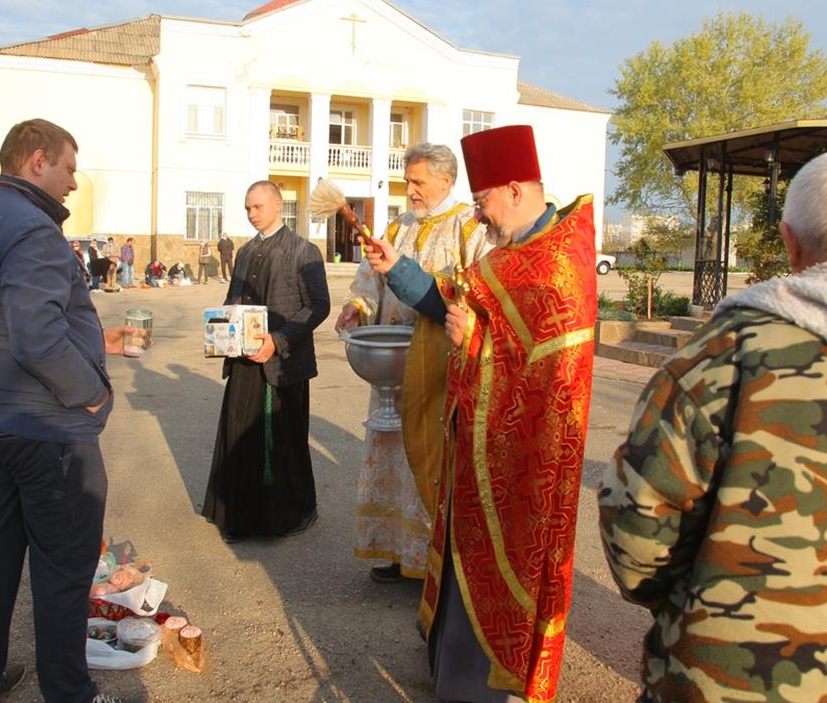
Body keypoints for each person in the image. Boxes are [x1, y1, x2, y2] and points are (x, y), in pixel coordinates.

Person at [598, 149, 827, 702]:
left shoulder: (724, 355)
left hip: (738, 676)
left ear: (790, 241)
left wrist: (696, 600)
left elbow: (638, 535)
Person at [365, 126, 598, 702]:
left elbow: (551, 374)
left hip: (521, 457)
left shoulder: (558, 261)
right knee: (462, 553)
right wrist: (398, 266)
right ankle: (450, 670)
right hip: (476, 443)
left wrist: (477, 344)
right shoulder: (517, 248)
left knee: (496, 568)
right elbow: (456, 296)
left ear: (515, 190)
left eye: (484, 200)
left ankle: (478, 685)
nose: (480, 214)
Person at [0, 118, 140, 703]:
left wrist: (94, 341)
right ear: (36, 161)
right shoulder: (31, 228)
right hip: (47, 428)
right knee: (63, 570)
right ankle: (70, 693)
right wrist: (93, 392)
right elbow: (36, 340)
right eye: (68, 169)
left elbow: (2, 322)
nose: (73, 184)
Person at [335, 142, 490, 584]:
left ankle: (429, 561)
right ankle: (394, 550)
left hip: (436, 365)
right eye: (407, 181)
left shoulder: (468, 226)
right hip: (388, 364)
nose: (410, 190)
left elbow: (472, 290)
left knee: (428, 459)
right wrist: (358, 307)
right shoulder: (398, 225)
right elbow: (370, 279)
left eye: (418, 182)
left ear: (446, 179)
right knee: (390, 455)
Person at [202, 180, 331, 542]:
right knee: (240, 436)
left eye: (257, 207)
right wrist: (220, 330)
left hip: (283, 363)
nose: (251, 214)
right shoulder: (244, 252)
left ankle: (290, 516)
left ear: (277, 206)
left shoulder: (302, 250)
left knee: (282, 442)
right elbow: (233, 299)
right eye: (247, 208)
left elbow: (318, 306)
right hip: (244, 361)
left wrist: (278, 339)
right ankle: (239, 518)